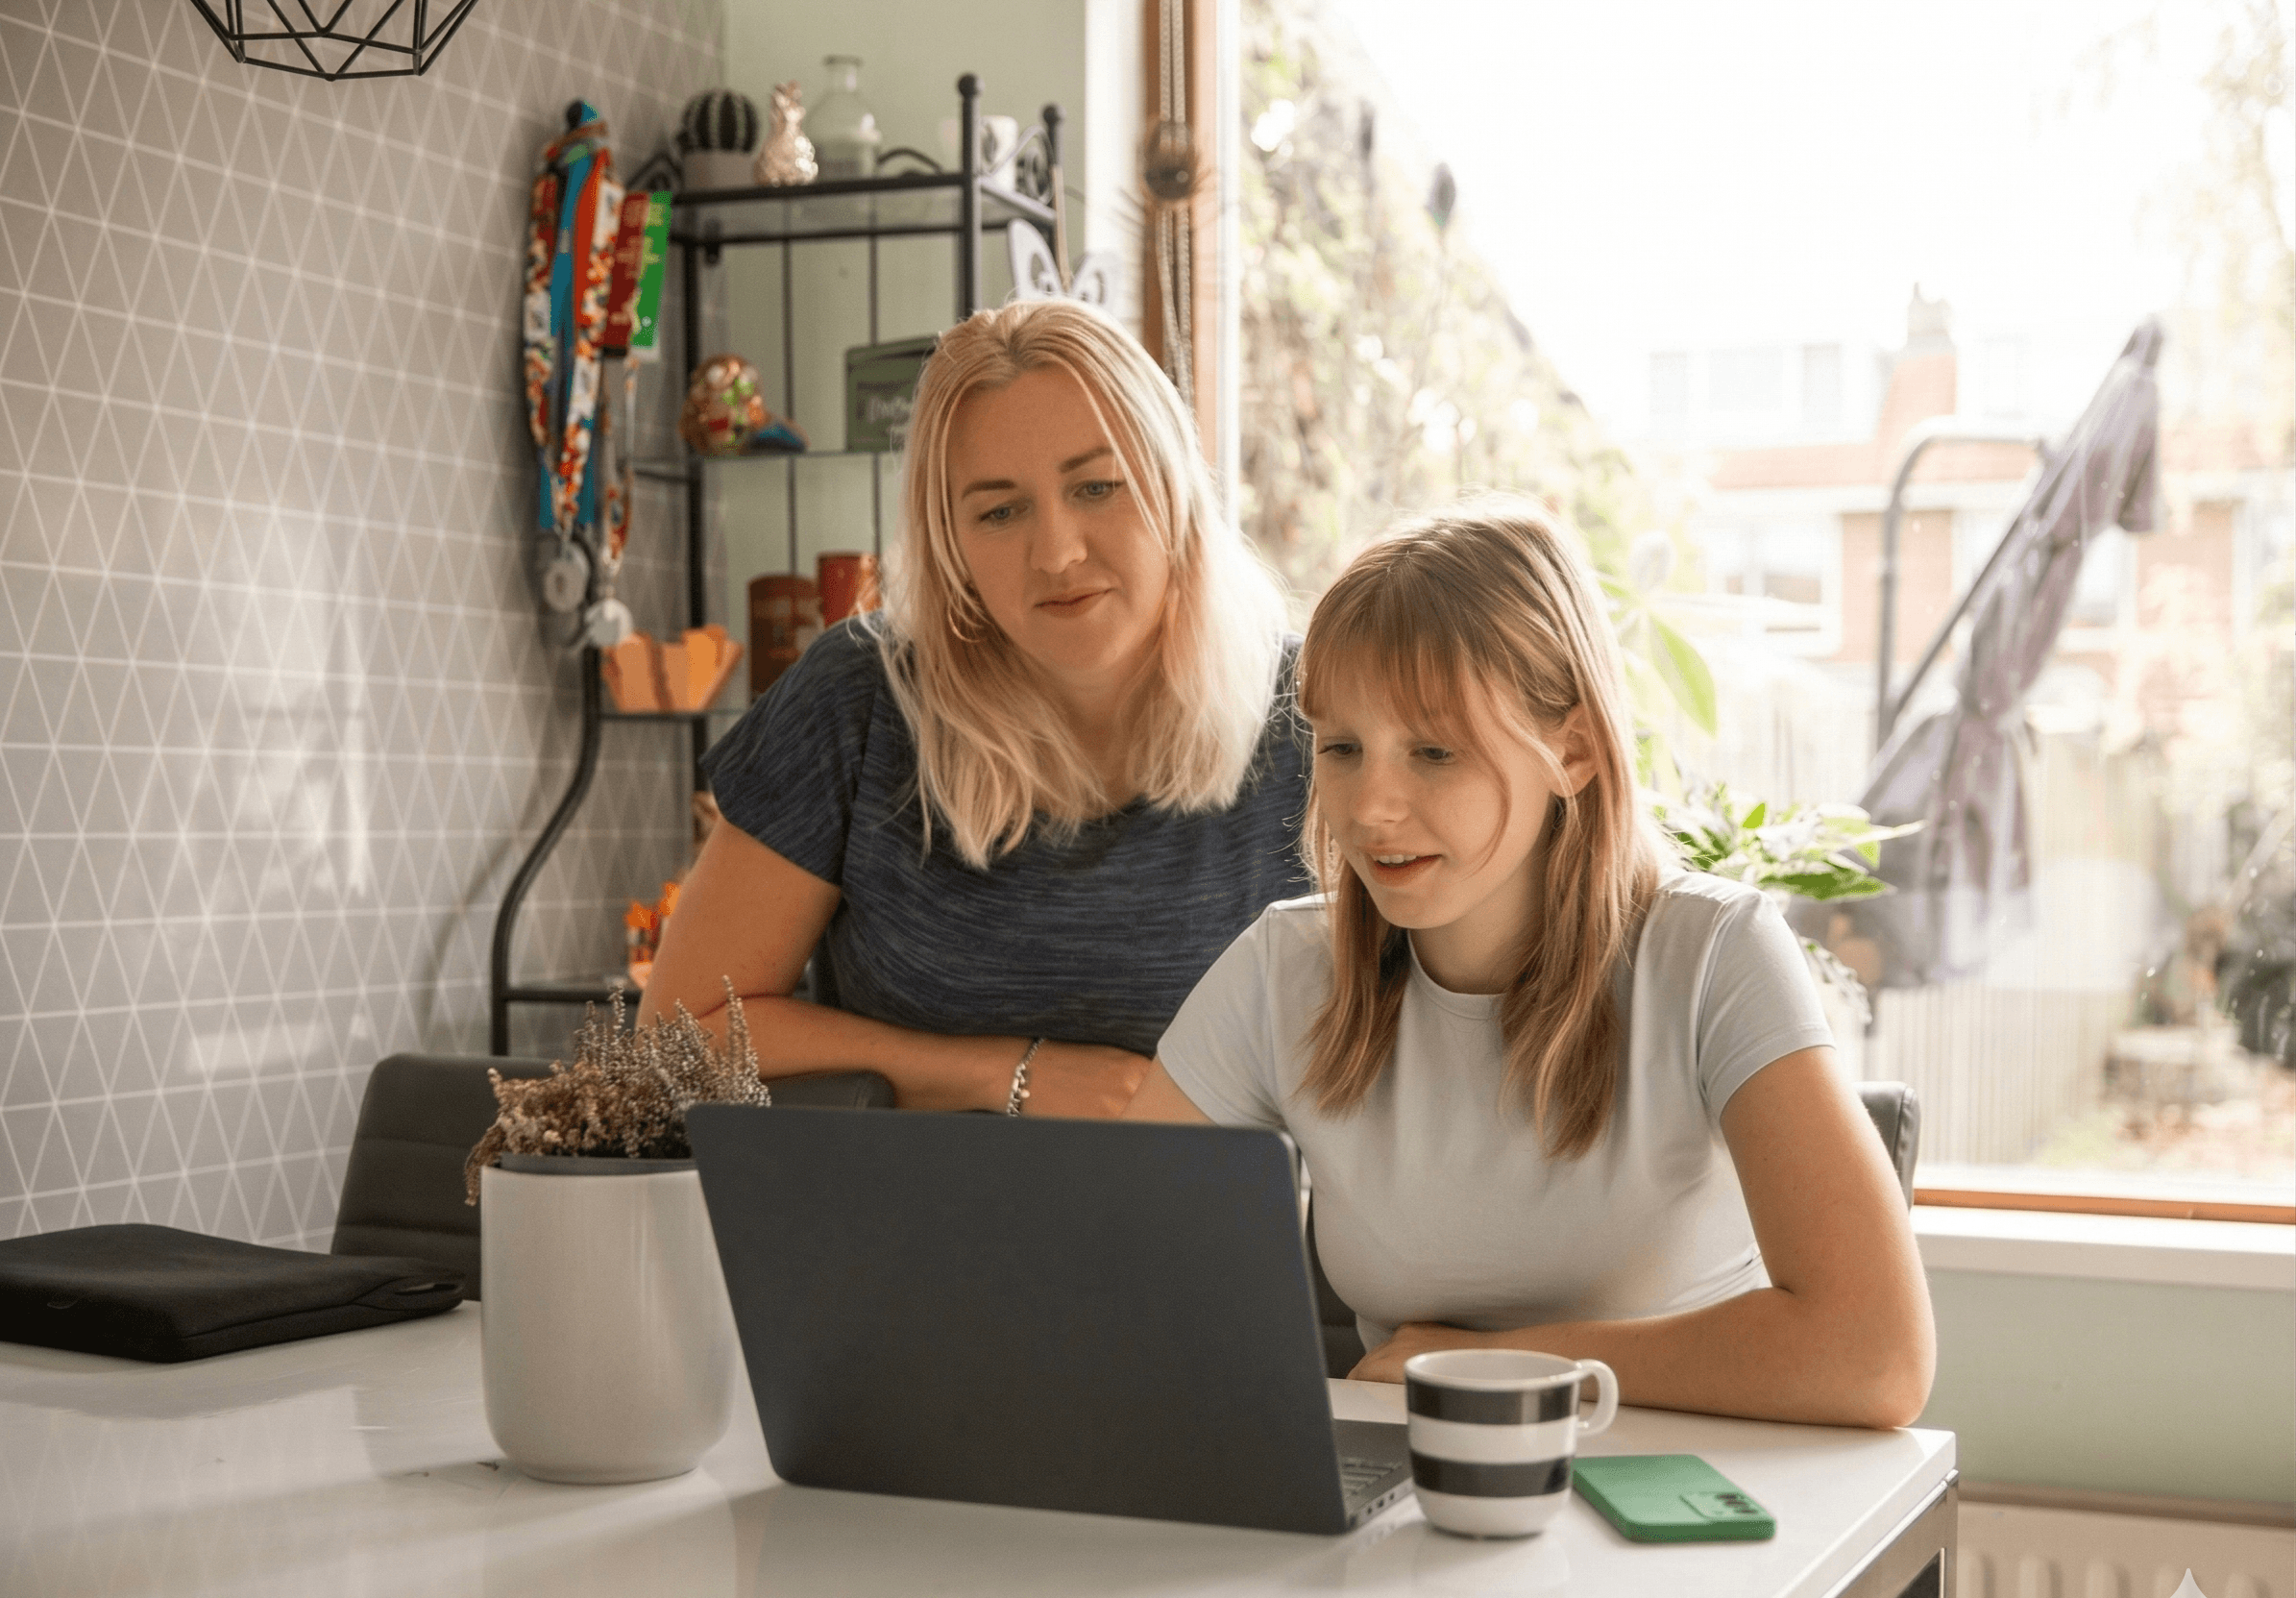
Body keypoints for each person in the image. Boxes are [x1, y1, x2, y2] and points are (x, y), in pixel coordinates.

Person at [1124, 500, 1936, 1429]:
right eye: (1343, 748)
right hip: (1415, 1514)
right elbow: (1103, 1265)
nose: (1373, 806)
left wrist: (1489, 1365)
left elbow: (1876, 1358)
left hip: (1683, 1518)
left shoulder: (1714, 955)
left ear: (1574, 750)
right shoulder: (1283, 971)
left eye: (1434, 751)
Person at [639, 298, 1306, 1119]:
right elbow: (675, 1037)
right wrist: (1017, 1075)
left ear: (1175, 491)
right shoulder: (858, 702)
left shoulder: (1320, 715)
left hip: (1220, 1241)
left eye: (1098, 487)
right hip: (895, 1236)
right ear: (949, 543)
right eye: (999, 510)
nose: (1057, 553)